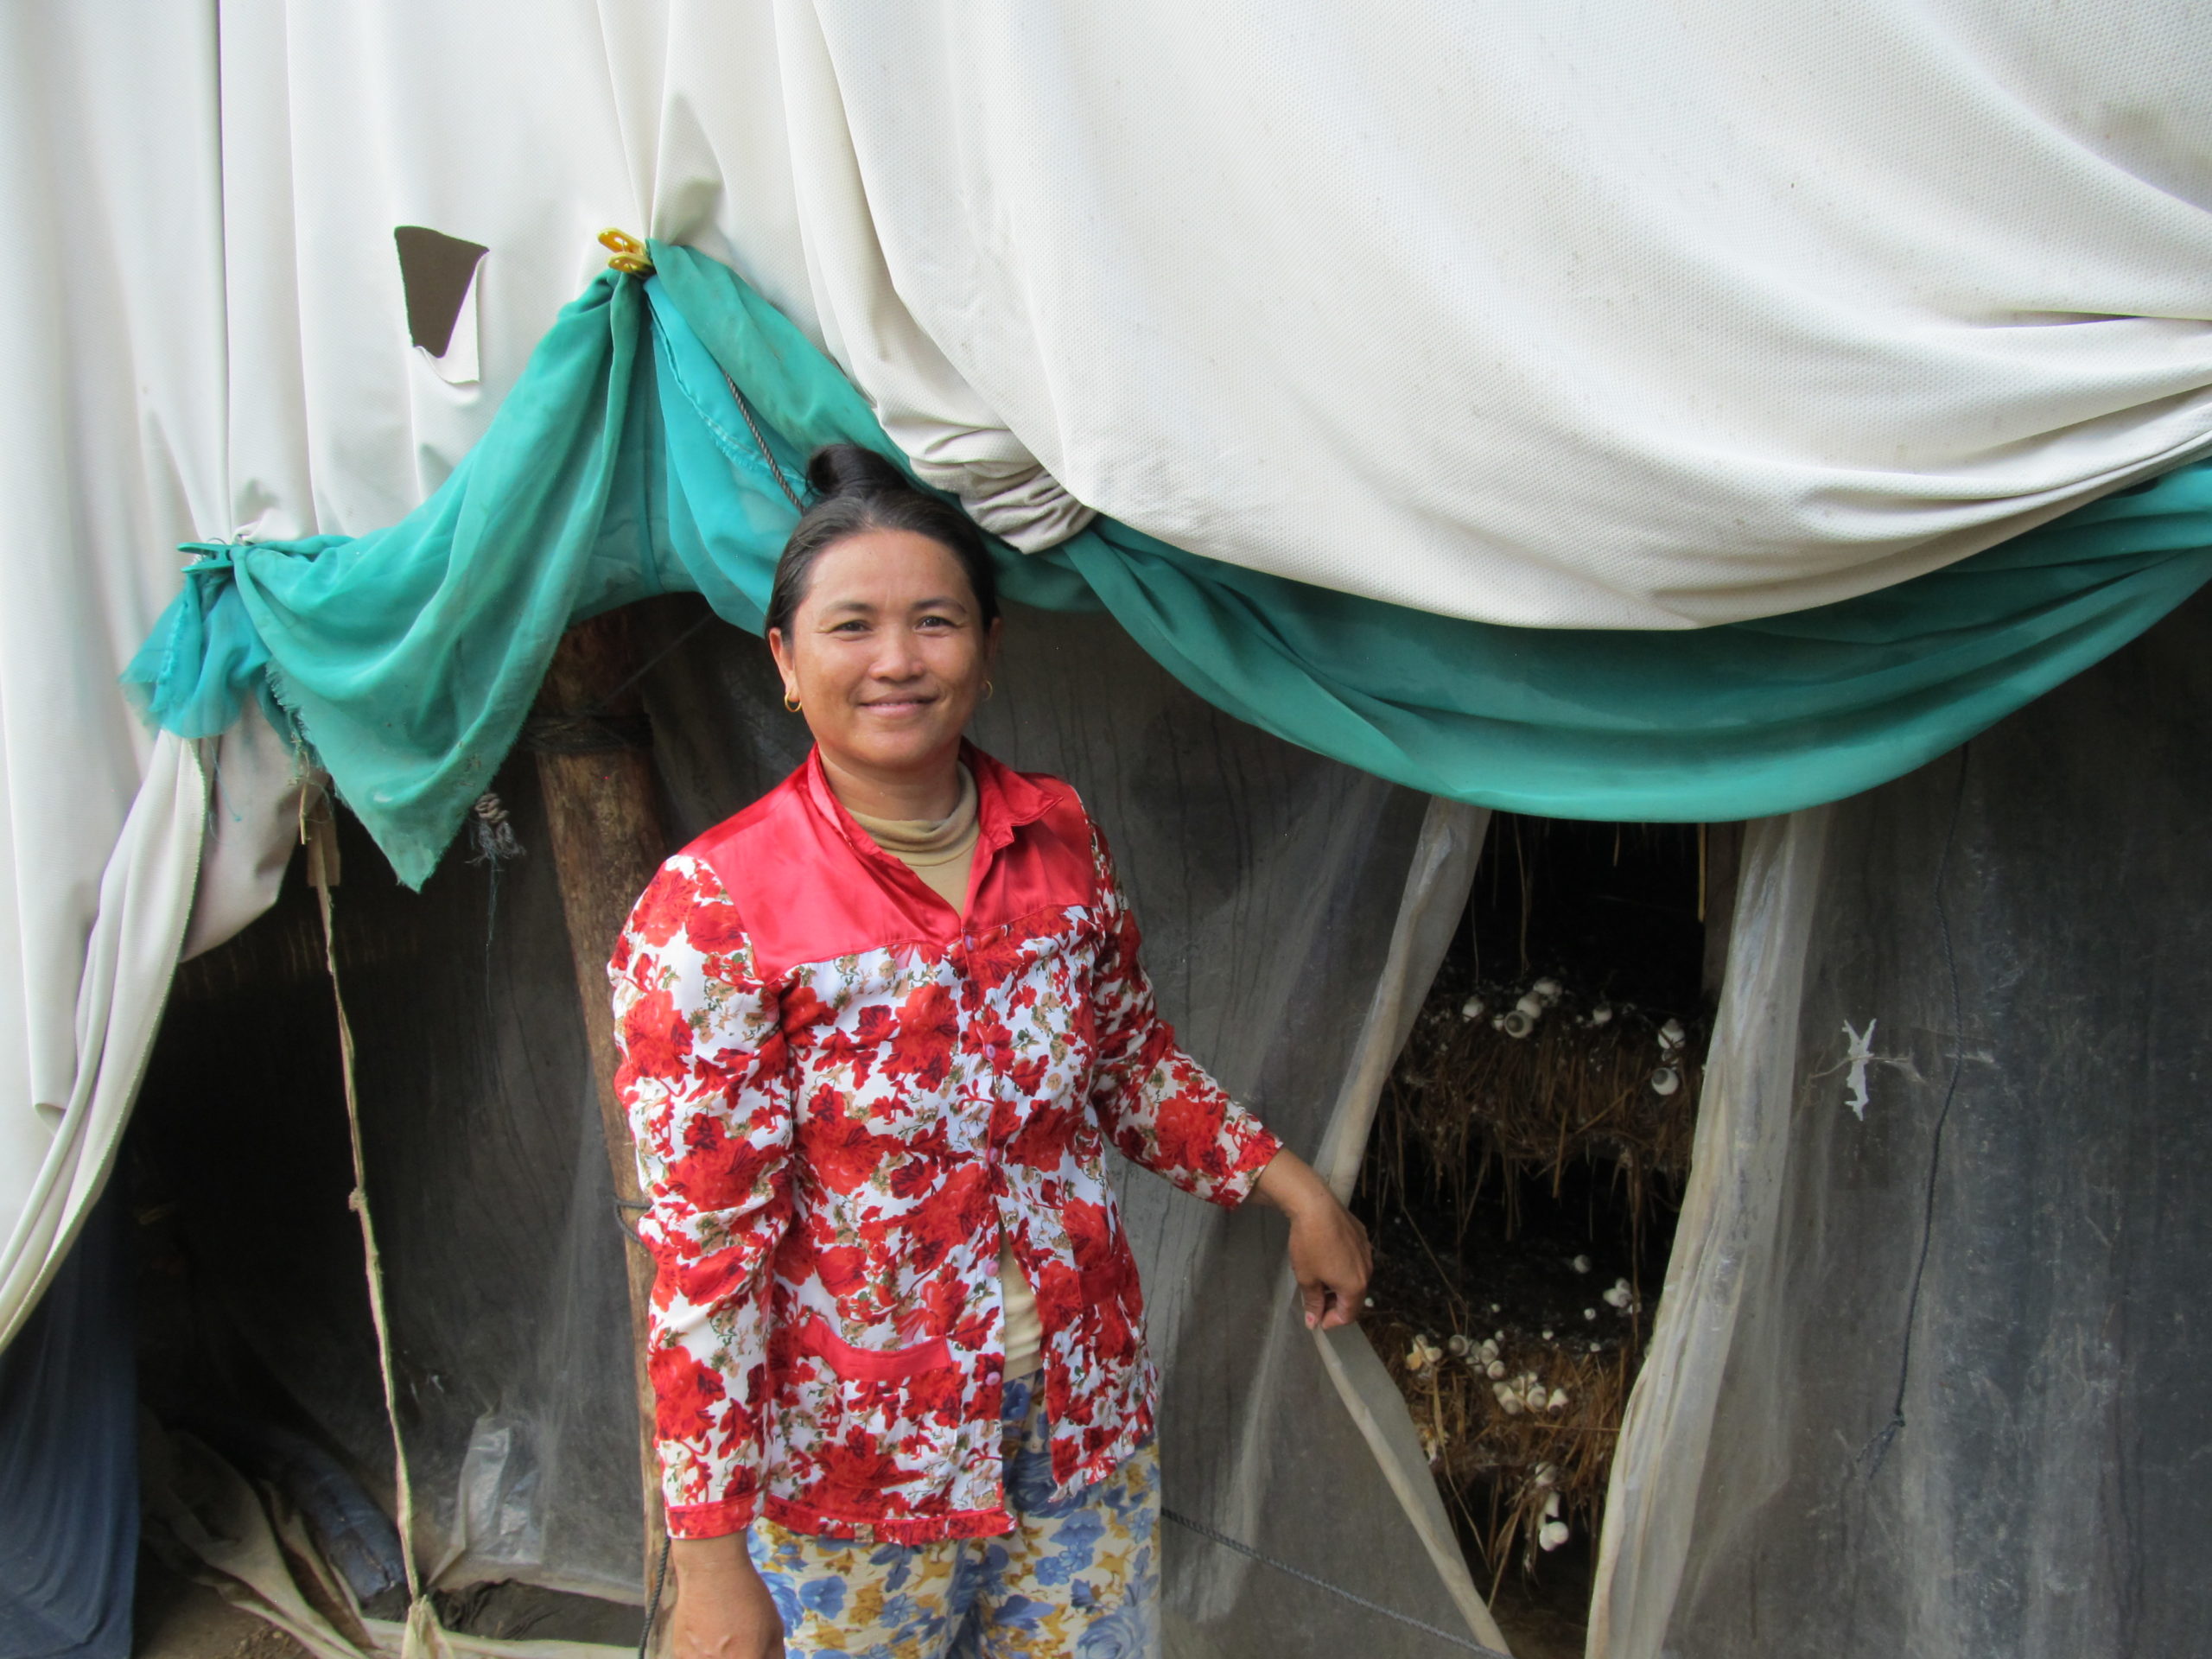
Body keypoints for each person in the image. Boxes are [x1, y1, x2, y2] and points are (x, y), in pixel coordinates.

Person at [609, 444, 1371, 1659]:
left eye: (936, 621)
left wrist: (1297, 1190)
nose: (898, 660)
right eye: (851, 626)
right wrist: (707, 1559)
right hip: (854, 1472)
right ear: (785, 661)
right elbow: (708, 1256)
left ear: (989, 646)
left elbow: (1127, 1064)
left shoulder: (1057, 836)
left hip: (1080, 1420)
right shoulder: (714, 908)